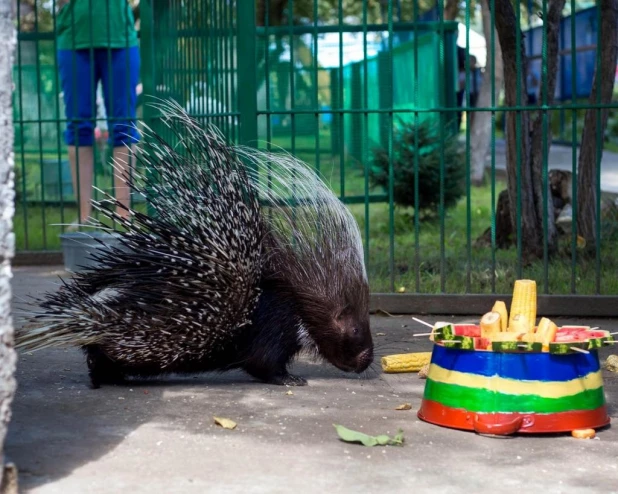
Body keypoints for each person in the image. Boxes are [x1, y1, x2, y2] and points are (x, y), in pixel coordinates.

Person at [55, 0, 140, 228]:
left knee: (123, 126)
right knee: (78, 126)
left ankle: (124, 216)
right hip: (74, 36)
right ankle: (84, 216)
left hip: (120, 35)